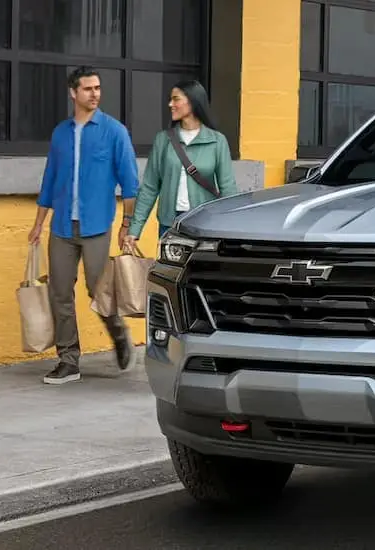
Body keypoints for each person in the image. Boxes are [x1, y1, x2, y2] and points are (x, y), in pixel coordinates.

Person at [27, 66, 139, 385]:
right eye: (88, 89)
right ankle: (68, 360)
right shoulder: (61, 133)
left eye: (98, 88)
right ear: (73, 93)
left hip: (96, 226)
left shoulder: (114, 132)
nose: (95, 94)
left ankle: (118, 334)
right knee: (60, 292)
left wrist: (127, 224)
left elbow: (130, 183)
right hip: (62, 225)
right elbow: (50, 180)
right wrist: (39, 224)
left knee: (98, 290)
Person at [123, 79, 238, 252]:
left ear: (192, 101)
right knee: (169, 274)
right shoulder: (163, 140)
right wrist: (134, 229)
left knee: (202, 274)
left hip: (205, 224)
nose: (171, 104)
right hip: (169, 224)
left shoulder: (217, 141)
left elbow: (228, 188)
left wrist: (230, 229)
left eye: (176, 99)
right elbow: (149, 187)